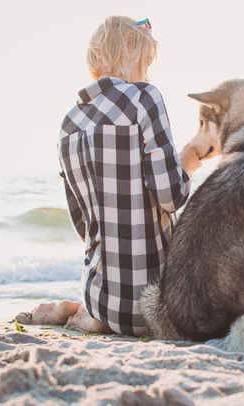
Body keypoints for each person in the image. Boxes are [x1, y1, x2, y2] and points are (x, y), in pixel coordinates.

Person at [16, 16, 201, 335]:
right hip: (158, 306)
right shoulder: (144, 97)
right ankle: (92, 316)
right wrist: (190, 160)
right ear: (129, 49)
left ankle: (90, 313)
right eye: (145, 61)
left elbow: (82, 226)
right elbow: (171, 196)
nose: (147, 72)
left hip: (102, 296)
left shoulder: (68, 124)